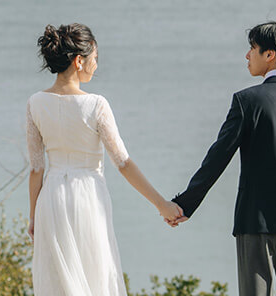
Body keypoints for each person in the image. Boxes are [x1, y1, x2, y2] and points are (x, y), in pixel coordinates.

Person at [170, 21, 276, 296]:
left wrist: (185, 204)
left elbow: (217, 158)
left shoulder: (248, 101)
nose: (247, 55)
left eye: (252, 49)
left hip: (257, 221)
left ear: (269, 54)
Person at [27, 23, 184, 296]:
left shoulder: (35, 103)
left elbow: (36, 169)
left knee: (57, 281)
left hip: (51, 199)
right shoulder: (96, 104)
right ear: (79, 61)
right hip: (87, 196)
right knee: (95, 274)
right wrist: (162, 204)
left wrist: (33, 216)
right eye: (95, 59)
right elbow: (122, 162)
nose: (96, 66)